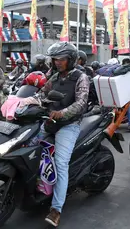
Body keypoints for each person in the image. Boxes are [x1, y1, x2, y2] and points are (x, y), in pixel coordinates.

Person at [38, 42, 89, 227]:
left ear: (70, 60)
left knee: (60, 163)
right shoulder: (54, 76)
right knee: (30, 146)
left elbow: (81, 103)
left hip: (69, 124)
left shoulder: (81, 77)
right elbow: (42, 94)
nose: (57, 62)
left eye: (61, 59)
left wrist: (63, 113)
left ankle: (56, 209)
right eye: (55, 59)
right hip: (50, 121)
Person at [122, 58, 130, 131]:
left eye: (127, 63)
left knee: (128, 107)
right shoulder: (121, 70)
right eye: (124, 63)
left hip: (128, 93)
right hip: (121, 92)